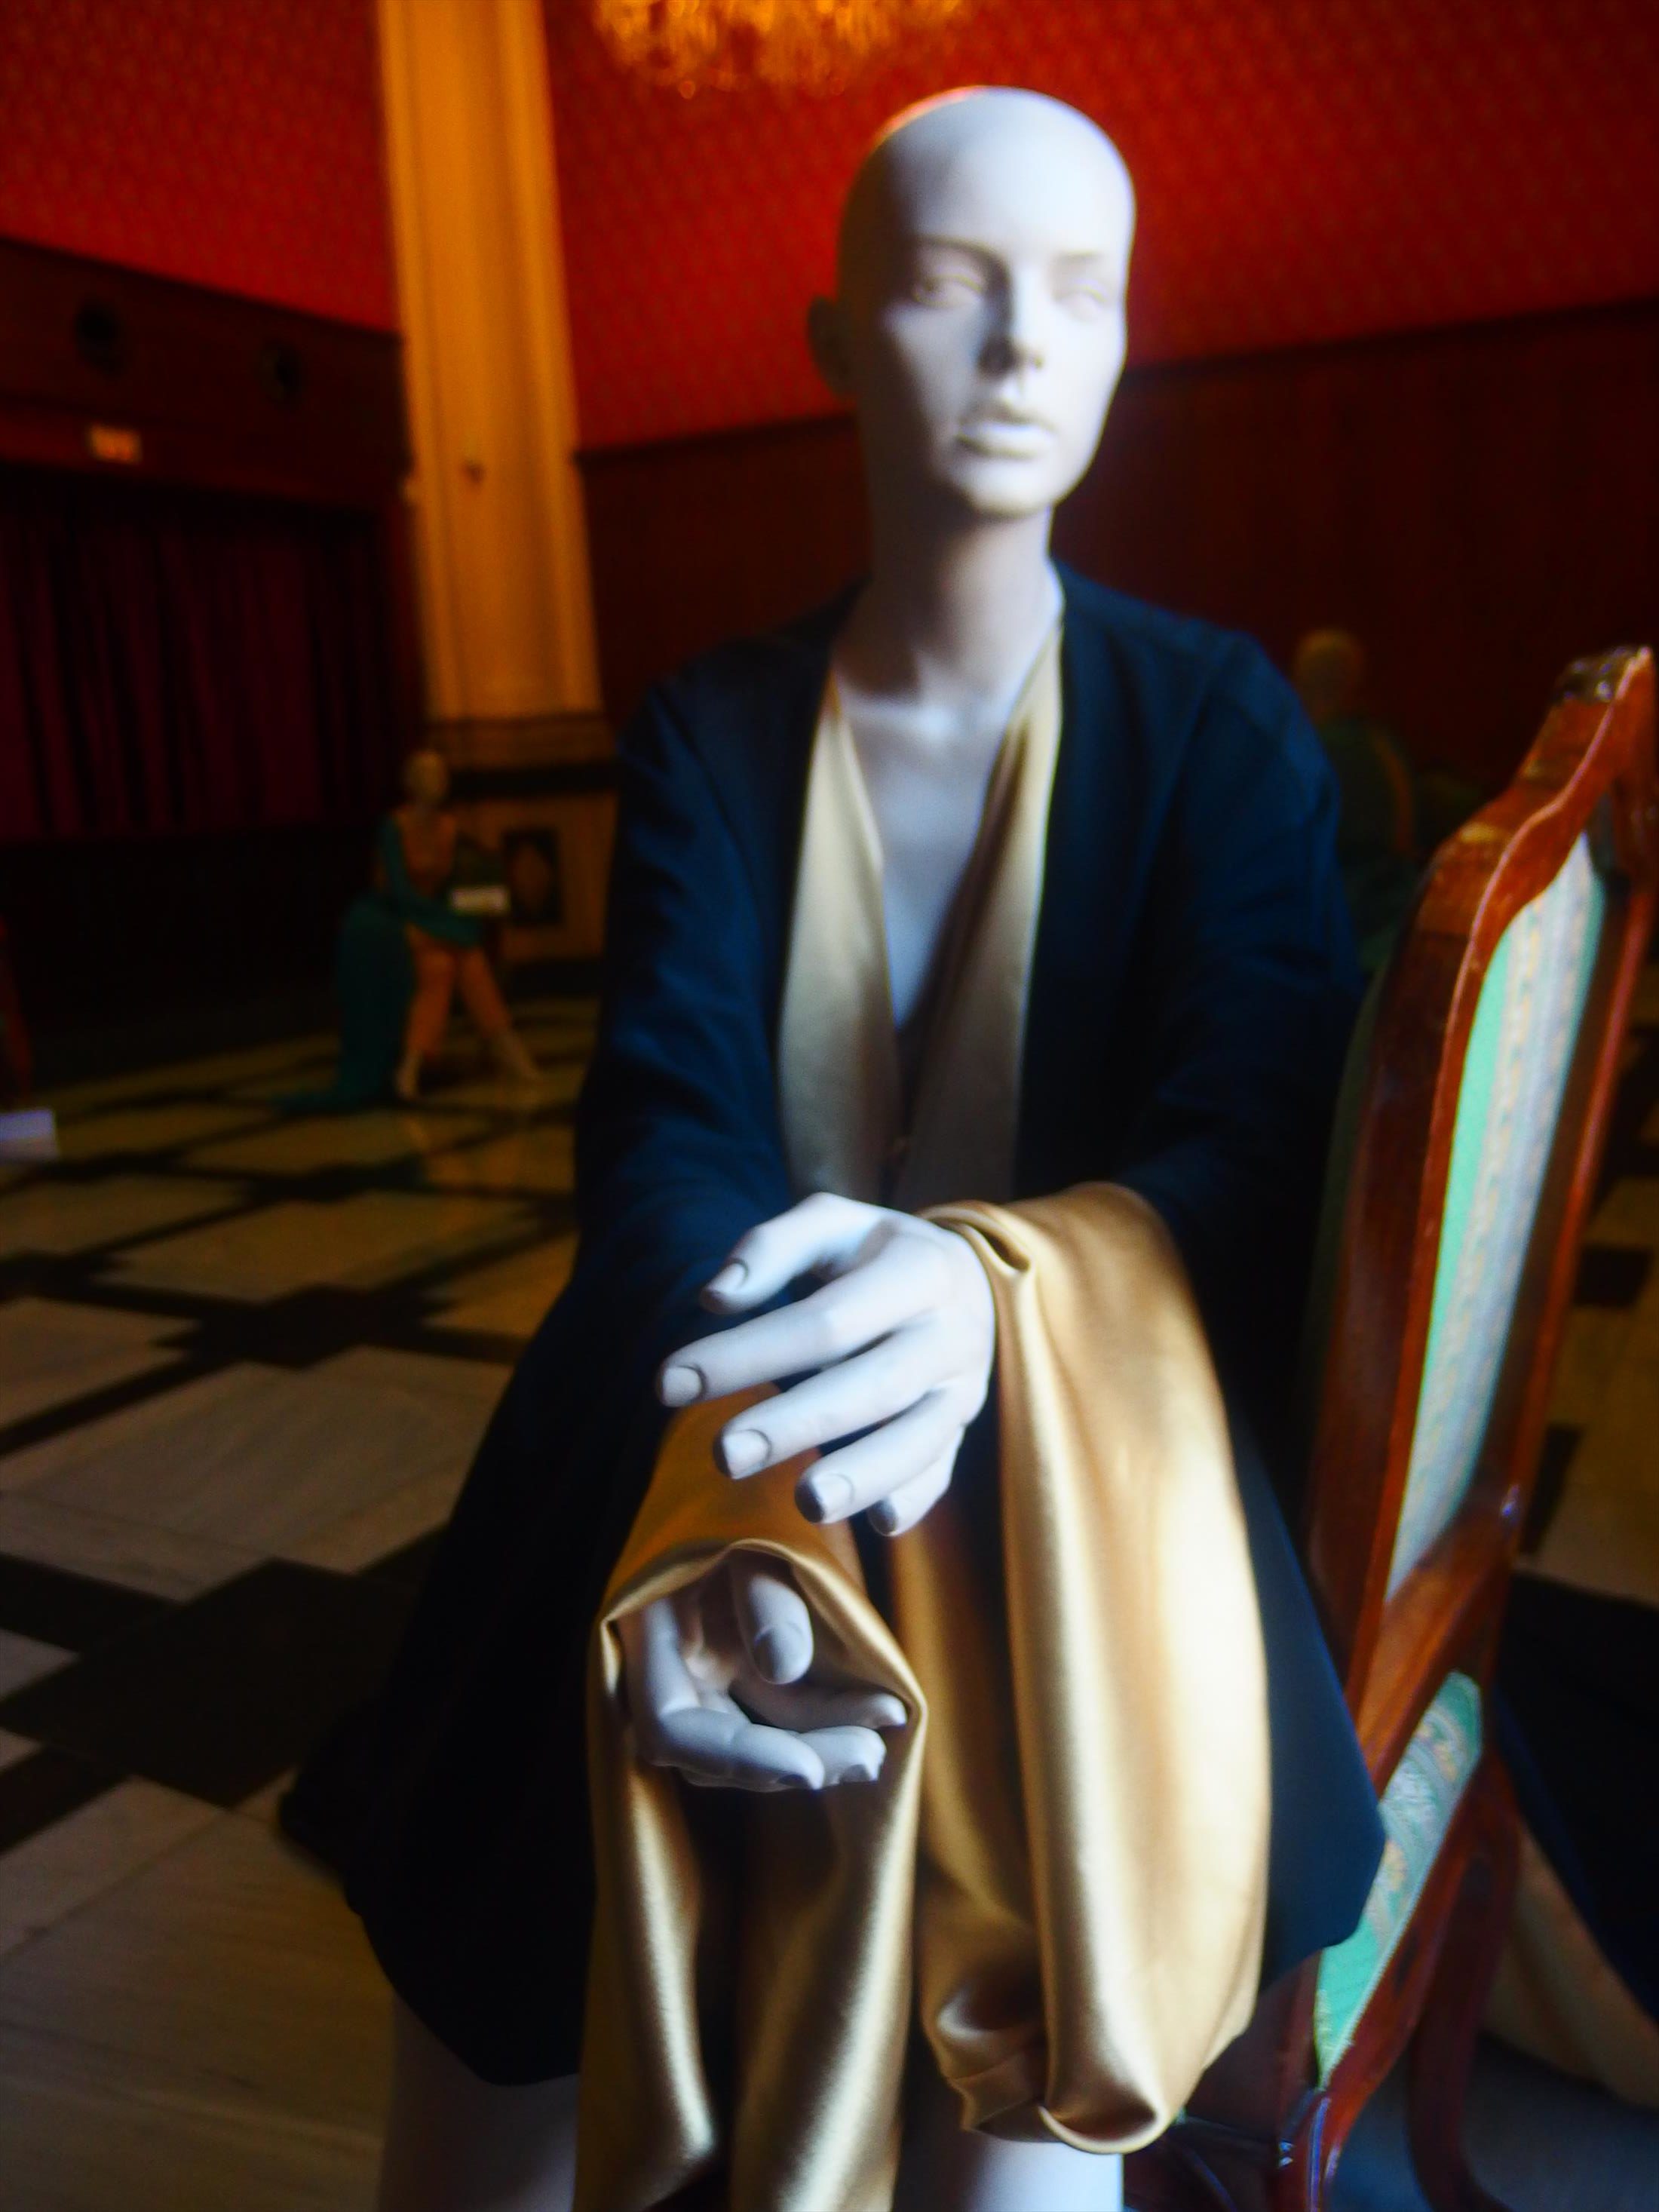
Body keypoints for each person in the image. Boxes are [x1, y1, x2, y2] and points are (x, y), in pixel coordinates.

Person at [340, 89, 1385, 2211]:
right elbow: (662, 1132)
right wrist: (735, 1479)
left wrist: (996, 1294)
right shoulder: (709, 729)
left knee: (1028, 2053)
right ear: (834, 339)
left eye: (1081, 293)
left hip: (1097, 1469)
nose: (1021, 346)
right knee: (496, 1943)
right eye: (947, 284)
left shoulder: (1219, 726)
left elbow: (1261, 1160)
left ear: (1125, 340)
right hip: (713, 1389)